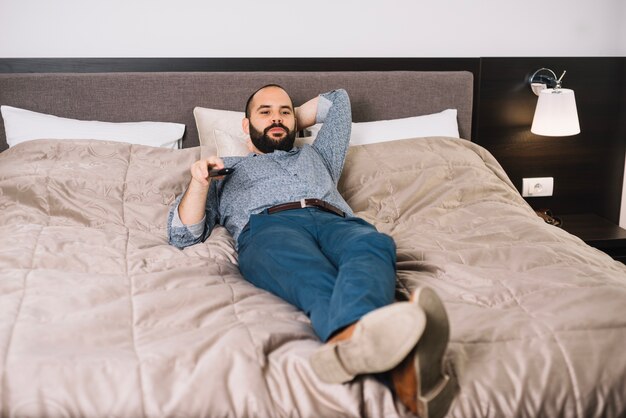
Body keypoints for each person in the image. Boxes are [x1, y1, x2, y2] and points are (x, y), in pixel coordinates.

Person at [167, 84, 456, 417]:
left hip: (335, 221)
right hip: (270, 227)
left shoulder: (318, 154)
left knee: (373, 243)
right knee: (307, 269)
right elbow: (183, 235)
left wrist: (284, 123)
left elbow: (338, 102)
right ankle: (406, 376)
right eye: (265, 112)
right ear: (245, 125)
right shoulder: (224, 169)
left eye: (284, 111)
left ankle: (347, 344)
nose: (276, 117)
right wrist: (200, 183)